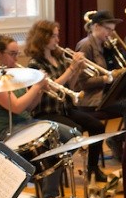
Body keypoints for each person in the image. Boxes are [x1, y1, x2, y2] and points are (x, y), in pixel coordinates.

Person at [0, 34, 78, 198]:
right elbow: (17, 107)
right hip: (9, 130)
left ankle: (44, 179)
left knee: (72, 136)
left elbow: (29, 107)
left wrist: (41, 89)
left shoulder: (14, 75)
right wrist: (36, 86)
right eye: (12, 54)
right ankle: (49, 195)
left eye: (17, 53)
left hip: (27, 123)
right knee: (52, 146)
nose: (16, 58)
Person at [25, 20, 108, 182]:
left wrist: (77, 69)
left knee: (97, 126)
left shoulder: (59, 57)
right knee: (74, 132)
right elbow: (53, 86)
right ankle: (57, 167)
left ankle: (93, 169)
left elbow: (70, 86)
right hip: (46, 112)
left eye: (57, 36)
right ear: (43, 38)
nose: (58, 40)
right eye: (54, 36)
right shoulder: (35, 64)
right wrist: (71, 68)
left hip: (64, 108)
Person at [75, 10, 126, 160]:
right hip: (91, 98)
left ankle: (123, 140)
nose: (111, 34)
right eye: (108, 29)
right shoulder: (85, 46)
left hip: (105, 93)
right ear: (96, 27)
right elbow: (82, 83)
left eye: (112, 30)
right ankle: (123, 143)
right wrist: (107, 78)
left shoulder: (104, 45)